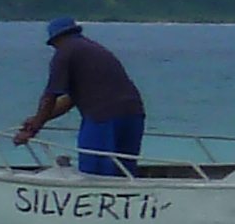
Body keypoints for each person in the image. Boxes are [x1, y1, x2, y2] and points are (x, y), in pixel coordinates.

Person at [16, 18, 148, 174]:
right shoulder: (94, 49)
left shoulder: (65, 53)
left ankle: (93, 197)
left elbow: (50, 96)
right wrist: (39, 118)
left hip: (102, 116)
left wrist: (32, 129)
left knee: (93, 170)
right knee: (123, 170)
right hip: (133, 113)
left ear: (56, 39)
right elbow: (70, 100)